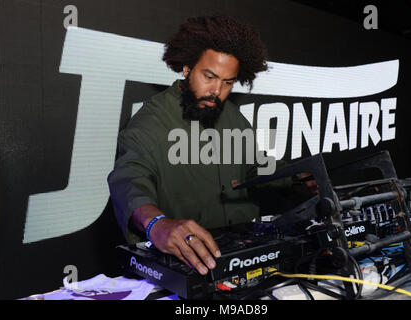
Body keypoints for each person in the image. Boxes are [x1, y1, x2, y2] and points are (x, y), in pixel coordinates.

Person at [108, 14, 299, 276]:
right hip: (192, 262)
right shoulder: (150, 122)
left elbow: (254, 167)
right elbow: (128, 182)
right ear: (187, 68)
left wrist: (297, 177)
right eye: (209, 76)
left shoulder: (233, 117)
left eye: (227, 82)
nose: (216, 91)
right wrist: (156, 223)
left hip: (243, 257)